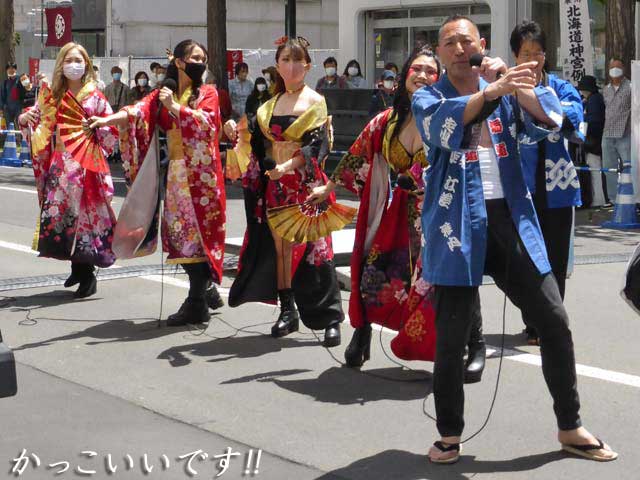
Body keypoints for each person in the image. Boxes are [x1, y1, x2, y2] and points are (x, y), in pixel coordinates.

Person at [412, 15, 617, 464]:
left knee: (554, 319)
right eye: (449, 43)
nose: (459, 49)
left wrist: (509, 82)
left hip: (511, 216)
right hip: (456, 222)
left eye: (466, 40)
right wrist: (489, 94)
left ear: (481, 44)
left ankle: (570, 424)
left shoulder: (506, 85)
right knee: (451, 337)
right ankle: (449, 433)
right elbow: (440, 129)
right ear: (440, 52)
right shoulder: (430, 95)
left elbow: (553, 121)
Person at [308, 47, 441, 366]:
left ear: (440, 79)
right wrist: (327, 187)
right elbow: (357, 154)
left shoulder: (445, 119)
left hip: (432, 217)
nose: (422, 75)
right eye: (416, 69)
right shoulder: (386, 122)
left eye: (430, 71)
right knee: (373, 273)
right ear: (404, 75)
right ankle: (362, 332)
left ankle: (448, 344)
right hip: (391, 215)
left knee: (430, 284)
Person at [91, 39, 226, 326]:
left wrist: (175, 107)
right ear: (178, 61)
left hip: (202, 176)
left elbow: (208, 123)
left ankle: (196, 301)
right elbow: (136, 111)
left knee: (198, 236)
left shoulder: (208, 92)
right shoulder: (164, 93)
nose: (200, 62)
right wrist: (105, 121)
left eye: (203, 57)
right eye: (194, 57)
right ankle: (201, 292)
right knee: (180, 236)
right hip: (177, 172)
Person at [227, 36, 344, 347]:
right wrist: (235, 131)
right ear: (277, 65)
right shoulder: (268, 106)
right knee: (281, 250)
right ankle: (288, 310)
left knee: (316, 250)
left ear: (307, 65)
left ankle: (329, 317)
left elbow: (316, 145)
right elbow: (251, 137)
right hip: (277, 185)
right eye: (285, 60)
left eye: (297, 60)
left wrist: (289, 166)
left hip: (305, 184)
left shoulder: (315, 101)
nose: (291, 66)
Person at [18, 42, 118, 298]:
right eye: (69, 59)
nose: (74, 64)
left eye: (79, 59)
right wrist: (24, 118)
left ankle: (86, 274)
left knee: (83, 220)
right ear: (61, 65)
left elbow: (110, 131)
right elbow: (38, 116)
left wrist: (96, 132)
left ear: (86, 64)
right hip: (61, 164)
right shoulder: (53, 95)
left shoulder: (96, 96)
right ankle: (77, 266)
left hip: (86, 166)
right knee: (61, 218)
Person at [511, 21, 584, 346]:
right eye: (526, 52)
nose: (533, 58)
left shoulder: (562, 88)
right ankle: (534, 319)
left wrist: (539, 99)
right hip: (519, 188)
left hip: (557, 186)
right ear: (515, 55)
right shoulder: (506, 90)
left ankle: (549, 322)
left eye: (538, 53)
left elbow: (571, 119)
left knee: (554, 258)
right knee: (525, 259)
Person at [601, 57, 632, 204]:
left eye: (618, 67)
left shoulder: (631, 87)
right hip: (607, 133)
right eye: (612, 67)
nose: (615, 70)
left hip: (625, 133)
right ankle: (613, 199)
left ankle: (631, 198)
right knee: (609, 168)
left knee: (629, 167)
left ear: (624, 69)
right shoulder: (605, 90)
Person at [577, 75, 607, 207]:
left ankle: (598, 200)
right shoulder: (595, 99)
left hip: (593, 142)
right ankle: (600, 199)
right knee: (597, 170)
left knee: (595, 170)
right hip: (597, 140)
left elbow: (593, 122)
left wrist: (583, 133)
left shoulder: (593, 101)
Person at [1, 62, 26, 127]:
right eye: (9, 69)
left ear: (15, 70)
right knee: (9, 126)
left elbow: (27, 90)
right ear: (6, 70)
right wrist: (3, 106)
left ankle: (22, 137)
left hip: (18, 107)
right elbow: (1, 95)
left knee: (20, 125)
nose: (11, 70)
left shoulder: (20, 79)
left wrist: (23, 106)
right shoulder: (5, 82)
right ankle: (10, 137)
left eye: (12, 68)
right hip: (8, 107)